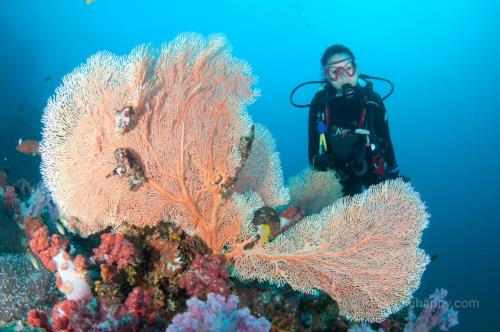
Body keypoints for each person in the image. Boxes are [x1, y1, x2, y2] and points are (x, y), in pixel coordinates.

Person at [307, 45, 400, 195]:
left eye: (348, 68)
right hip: (338, 174)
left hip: (370, 166)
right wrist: (318, 163)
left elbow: (387, 142)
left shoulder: (373, 101)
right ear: (326, 76)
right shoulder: (319, 104)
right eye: (334, 72)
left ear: (357, 69)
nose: (343, 76)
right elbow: (312, 149)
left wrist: (393, 170)